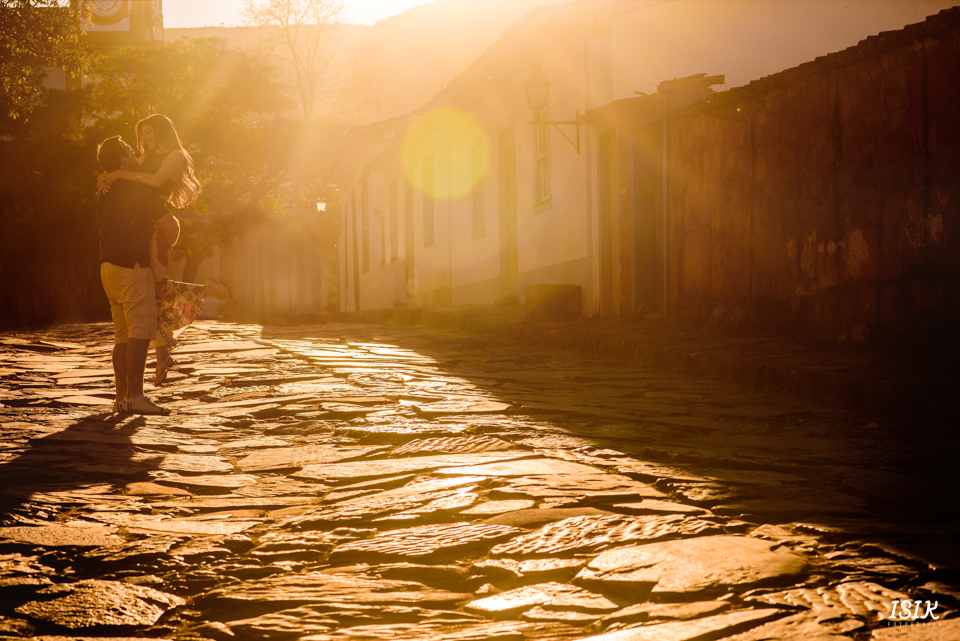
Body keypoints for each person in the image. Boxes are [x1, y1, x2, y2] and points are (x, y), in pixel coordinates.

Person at [98, 114, 230, 385]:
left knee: (159, 289)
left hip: (157, 229)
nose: (145, 139)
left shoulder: (175, 155)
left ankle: (204, 295)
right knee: (158, 293)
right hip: (145, 227)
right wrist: (105, 180)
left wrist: (117, 174)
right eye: (142, 134)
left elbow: (156, 183)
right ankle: (163, 354)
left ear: (162, 131)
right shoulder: (143, 159)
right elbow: (131, 186)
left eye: (149, 132)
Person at [95, 136, 171, 416]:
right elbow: (169, 223)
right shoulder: (136, 189)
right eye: (129, 150)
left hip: (109, 269)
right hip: (132, 268)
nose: (135, 153)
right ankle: (136, 396)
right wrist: (168, 245)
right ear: (123, 160)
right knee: (139, 336)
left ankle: (121, 398)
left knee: (122, 337)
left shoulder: (105, 188)